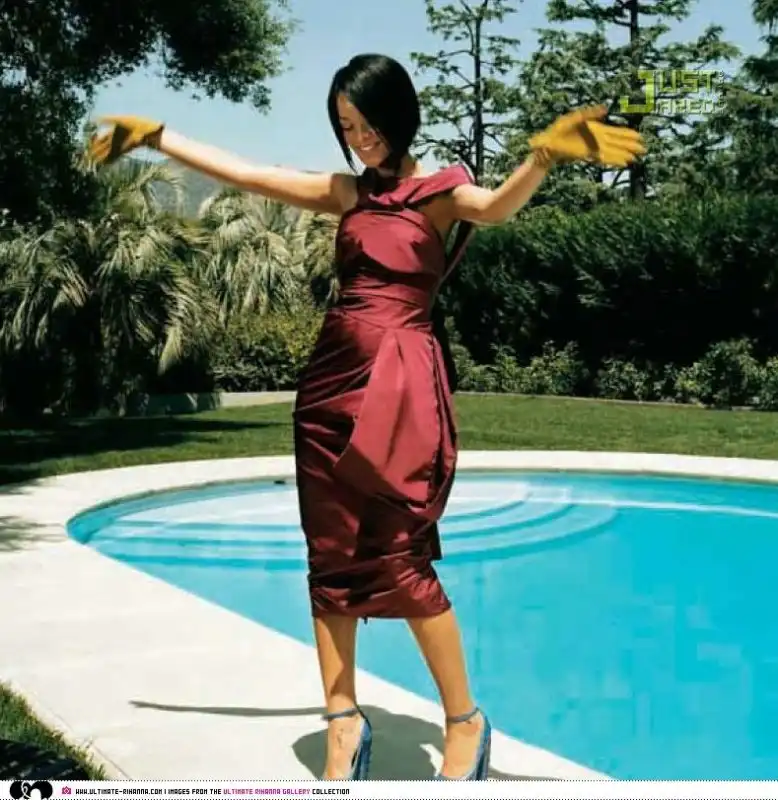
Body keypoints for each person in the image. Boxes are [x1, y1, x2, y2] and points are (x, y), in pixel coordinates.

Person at [89, 53, 644, 781]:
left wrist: (541, 156)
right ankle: (342, 719)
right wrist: (159, 136)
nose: (359, 140)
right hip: (328, 391)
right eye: (346, 128)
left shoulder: (440, 192)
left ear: (397, 112)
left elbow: (496, 207)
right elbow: (249, 173)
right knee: (329, 553)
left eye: (366, 124)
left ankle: (464, 720)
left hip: (400, 389)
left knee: (399, 554)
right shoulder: (349, 193)